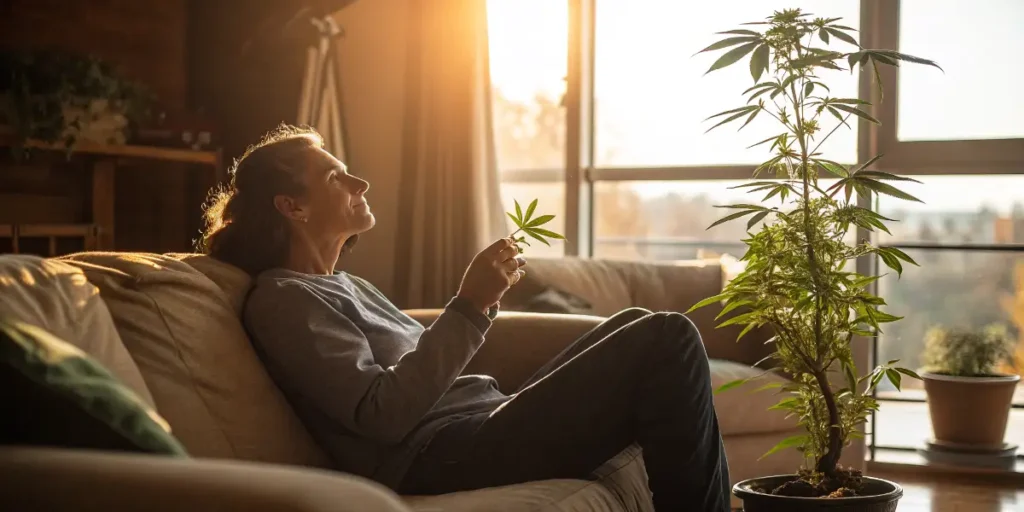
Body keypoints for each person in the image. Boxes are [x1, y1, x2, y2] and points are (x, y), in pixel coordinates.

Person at [200, 124, 730, 511]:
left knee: (636, 321)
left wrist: (477, 306)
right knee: (669, 338)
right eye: (337, 176)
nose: (360, 182)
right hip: (441, 452)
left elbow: (420, 369)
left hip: (479, 422)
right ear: (293, 207)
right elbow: (380, 414)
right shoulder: (282, 300)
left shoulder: (344, 286)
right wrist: (470, 305)